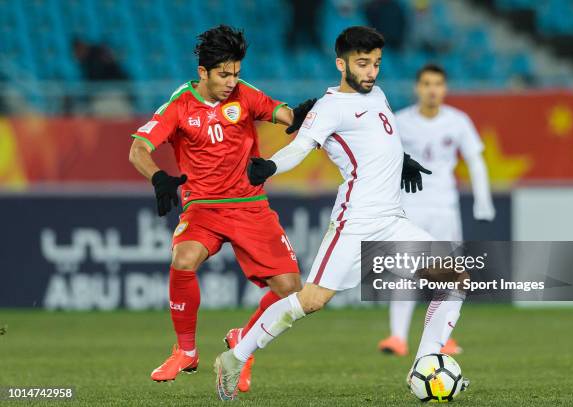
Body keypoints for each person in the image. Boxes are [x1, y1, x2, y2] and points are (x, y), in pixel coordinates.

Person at [213, 26, 469, 401]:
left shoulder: (378, 94)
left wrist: (403, 161)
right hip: (354, 222)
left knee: (455, 279)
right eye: (363, 63)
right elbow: (300, 148)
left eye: (376, 64)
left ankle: (425, 365)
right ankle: (235, 357)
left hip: (392, 219)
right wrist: (268, 166)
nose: (370, 72)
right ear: (341, 63)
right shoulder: (329, 107)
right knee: (310, 300)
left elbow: (379, 140)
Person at [128, 25, 316, 391]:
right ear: (203, 73)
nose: (232, 81)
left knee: (290, 288)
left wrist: (301, 116)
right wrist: (158, 178)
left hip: (250, 205)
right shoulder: (179, 104)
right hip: (203, 208)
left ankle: (241, 339)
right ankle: (185, 351)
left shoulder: (245, 95)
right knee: (183, 259)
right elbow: (138, 149)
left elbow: (284, 114)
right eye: (223, 74)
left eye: (236, 73)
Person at [378, 64, 495, 357]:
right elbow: (382, 160)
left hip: (445, 208)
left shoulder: (458, 121)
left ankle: (443, 338)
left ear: (444, 88)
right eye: (427, 83)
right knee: (404, 271)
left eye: (438, 84)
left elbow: (475, 160)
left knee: (448, 275)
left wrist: (483, 199)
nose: (432, 89)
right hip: (409, 206)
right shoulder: (400, 121)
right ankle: (397, 337)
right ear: (417, 87)